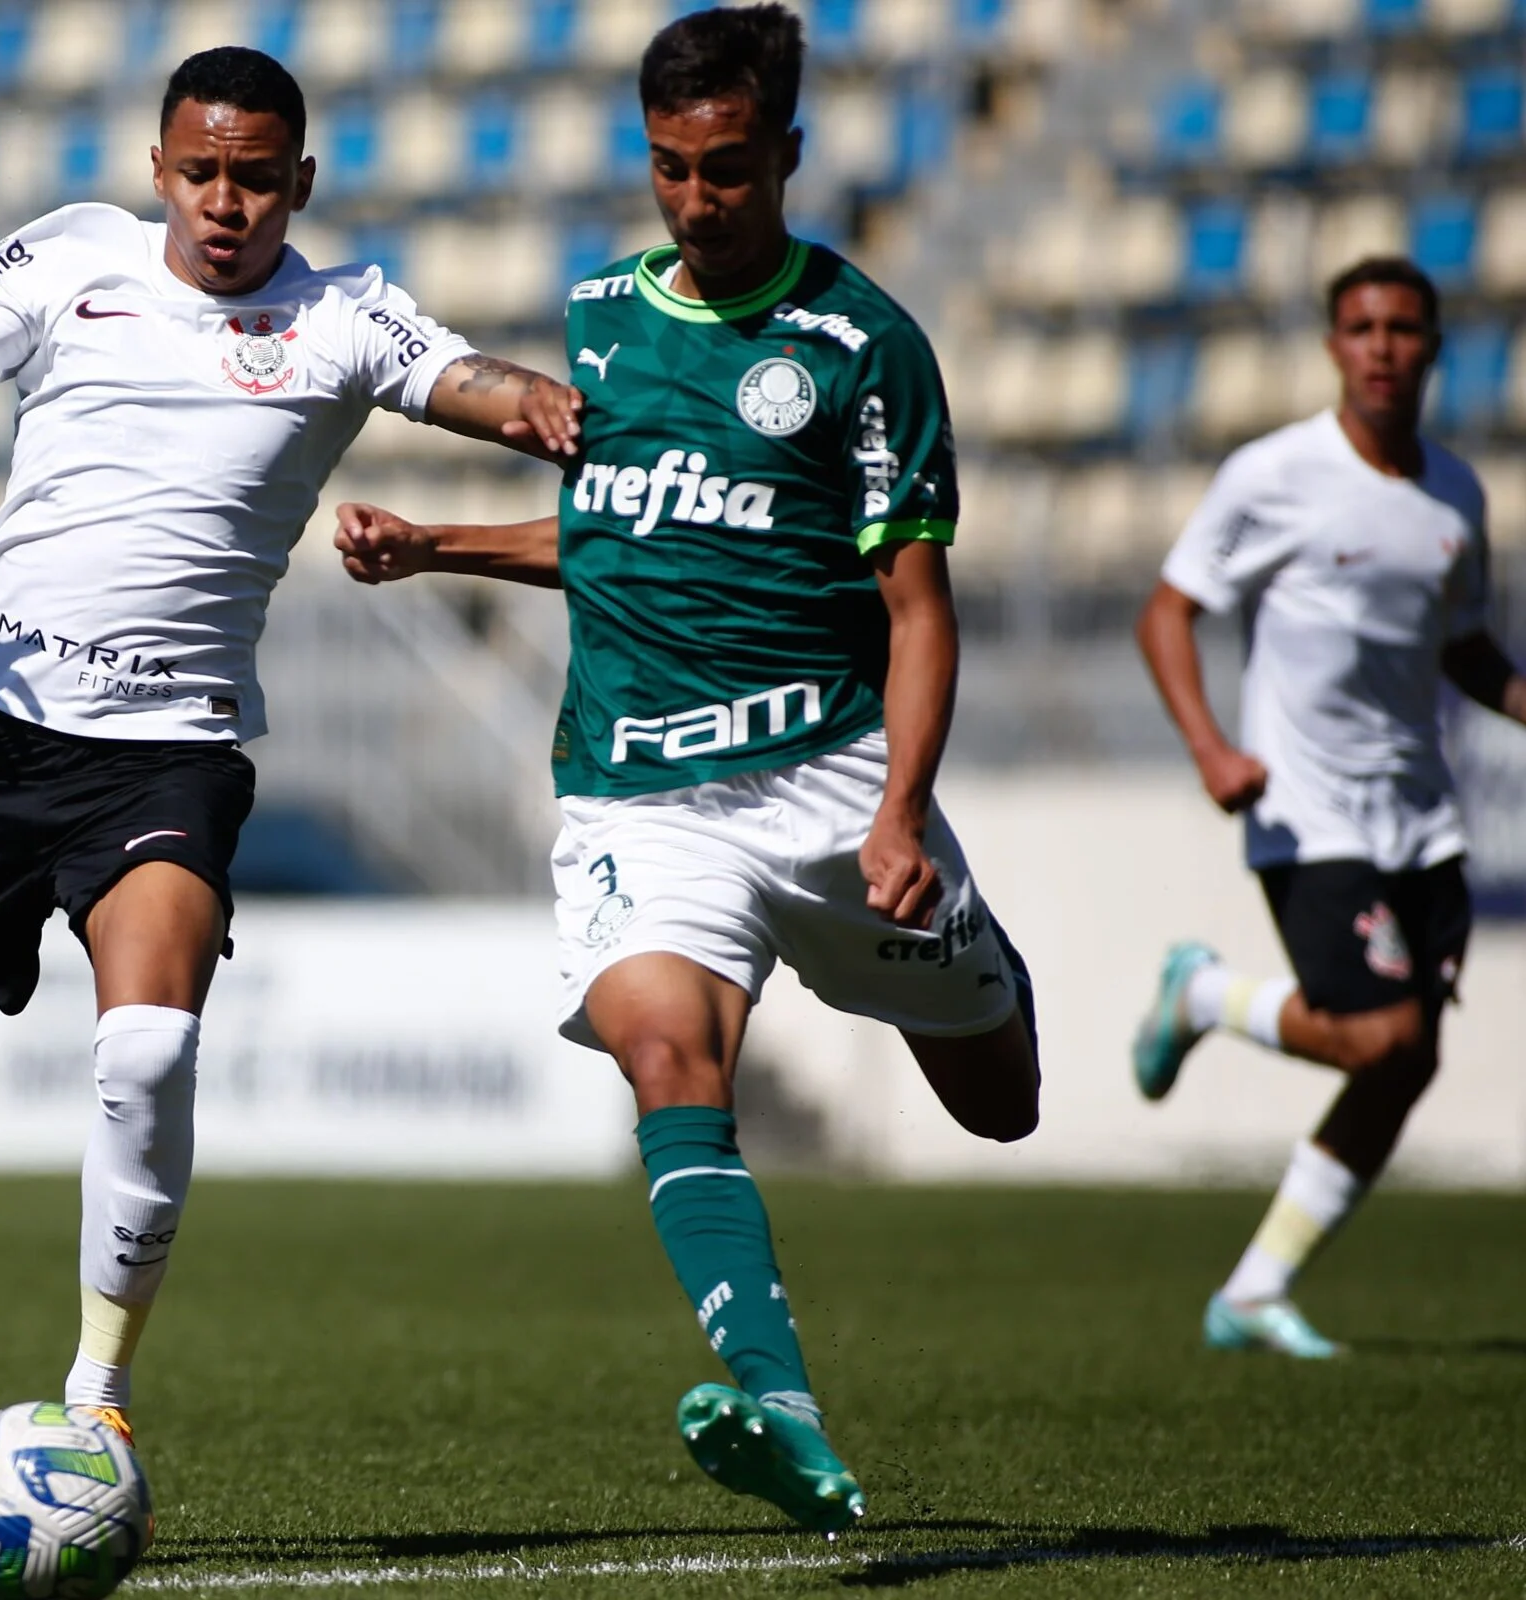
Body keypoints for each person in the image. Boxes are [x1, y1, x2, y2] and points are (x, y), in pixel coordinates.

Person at [0, 47, 580, 1545]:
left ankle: (95, 1400)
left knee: (147, 1048)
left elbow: (492, 392)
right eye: (202, 169)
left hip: (170, 756)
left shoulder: (343, 314)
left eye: (257, 175)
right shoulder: (71, 263)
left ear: (301, 183)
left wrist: (569, 412)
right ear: (158, 166)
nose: (227, 200)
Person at [329, 5, 1036, 1536]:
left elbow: (918, 611)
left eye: (726, 169)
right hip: (639, 789)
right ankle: (786, 1412)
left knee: (1000, 1106)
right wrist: (436, 540)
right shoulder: (596, 319)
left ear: (786, 152)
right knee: (668, 1061)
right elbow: (613, 541)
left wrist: (904, 810)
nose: (696, 200)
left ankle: (988, 970)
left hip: (833, 781)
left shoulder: (864, 347)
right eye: (669, 169)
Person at [1131, 257, 1521, 1359]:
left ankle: (1253, 1290)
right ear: (1332, 346)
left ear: (1436, 348)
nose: (1383, 346)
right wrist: (1210, 746)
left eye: (1404, 327)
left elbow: (1464, 647)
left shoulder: (1456, 494)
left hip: (1421, 816)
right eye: (1361, 326)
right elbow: (1166, 612)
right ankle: (1203, 993)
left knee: (1407, 1060)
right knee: (1378, 1034)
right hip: (1307, 807)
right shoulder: (1274, 474)